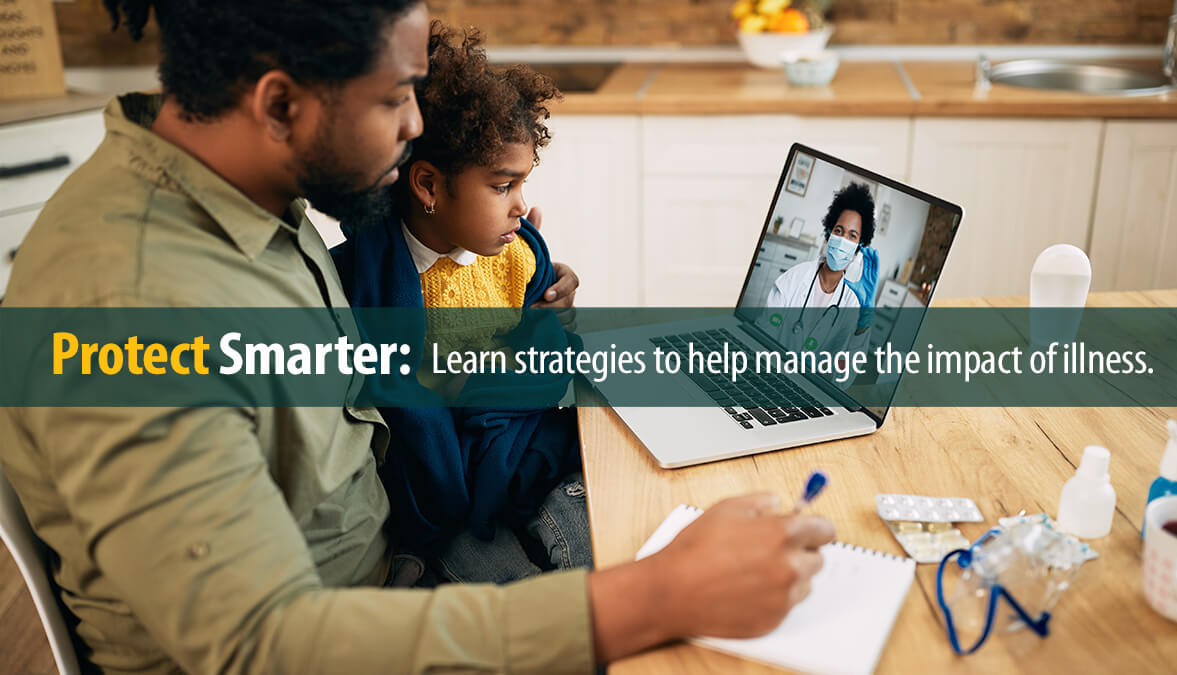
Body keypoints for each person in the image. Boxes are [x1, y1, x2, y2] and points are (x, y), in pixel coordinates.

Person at [0, 2, 835, 673]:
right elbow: (267, 644)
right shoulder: (132, 304)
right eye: (397, 96)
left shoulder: (248, 199)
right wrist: (657, 595)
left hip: (399, 559)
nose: (413, 126)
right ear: (281, 104)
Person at [331, 22, 590, 584]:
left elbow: (546, 351)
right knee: (520, 603)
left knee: (601, 549)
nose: (521, 206)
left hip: (525, 462)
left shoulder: (516, 256)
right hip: (446, 508)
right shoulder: (364, 283)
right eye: (502, 187)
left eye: (522, 185)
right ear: (427, 186)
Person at [765, 182, 877, 355]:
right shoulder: (795, 278)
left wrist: (863, 324)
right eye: (839, 231)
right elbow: (763, 334)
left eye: (852, 235)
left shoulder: (852, 303)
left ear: (860, 246)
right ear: (829, 232)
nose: (842, 240)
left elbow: (843, 378)